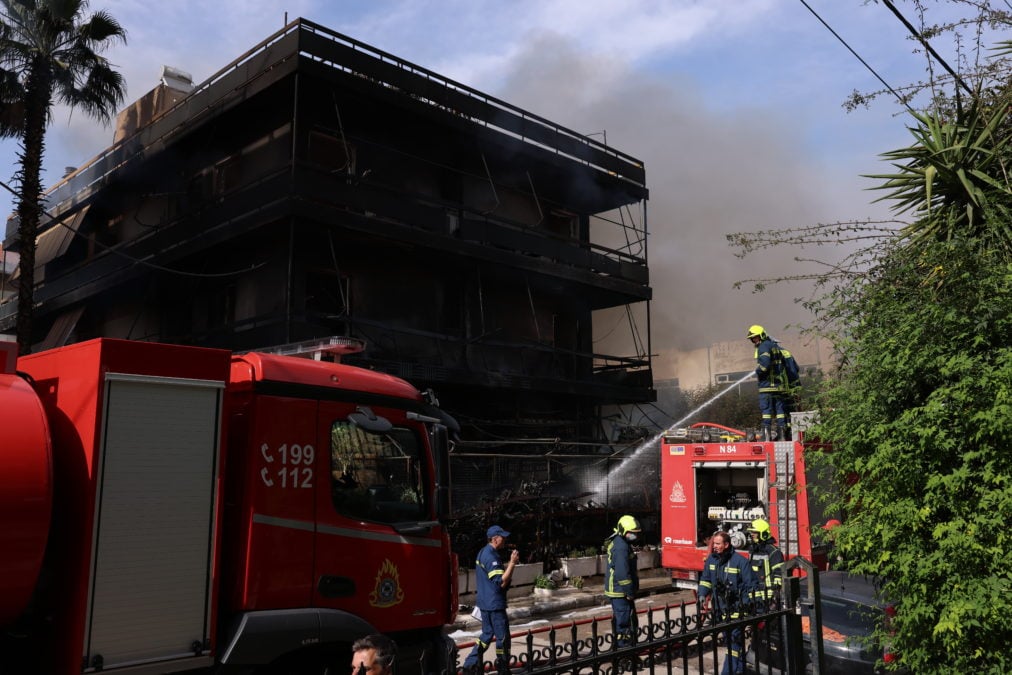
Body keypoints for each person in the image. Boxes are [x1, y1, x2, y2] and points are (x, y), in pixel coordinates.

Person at [697, 530, 758, 675]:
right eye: (714, 543)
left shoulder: (740, 562)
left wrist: (749, 606)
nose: (714, 546)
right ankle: (741, 669)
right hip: (719, 609)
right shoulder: (712, 560)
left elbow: (751, 586)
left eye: (718, 544)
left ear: (726, 545)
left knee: (733, 645)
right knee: (732, 643)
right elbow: (705, 579)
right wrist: (702, 594)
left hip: (736, 610)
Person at [462, 525, 520, 675]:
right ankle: (503, 668)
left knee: (486, 635)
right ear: (495, 539)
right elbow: (501, 582)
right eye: (502, 537)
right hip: (495, 605)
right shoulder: (491, 556)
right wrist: (512, 563)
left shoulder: (483, 552)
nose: (505, 539)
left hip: (485, 603)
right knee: (503, 638)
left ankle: (470, 664)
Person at [746, 325, 801, 441]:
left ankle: (766, 436)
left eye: (755, 337)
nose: (754, 341)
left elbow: (764, 366)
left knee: (766, 411)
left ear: (762, 336)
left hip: (767, 387)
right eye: (752, 339)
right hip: (782, 387)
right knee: (782, 412)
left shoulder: (764, 347)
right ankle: (783, 435)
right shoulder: (779, 349)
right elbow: (794, 369)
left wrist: (758, 371)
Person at [604, 515, 641, 648]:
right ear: (623, 530)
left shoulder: (621, 542)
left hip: (620, 591)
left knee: (627, 621)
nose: (635, 536)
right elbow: (622, 574)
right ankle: (624, 650)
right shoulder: (621, 547)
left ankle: (626, 647)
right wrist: (630, 592)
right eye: (632, 533)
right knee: (624, 624)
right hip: (620, 592)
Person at [746, 518, 784, 605]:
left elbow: (778, 574)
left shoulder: (773, 551)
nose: (752, 534)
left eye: (755, 532)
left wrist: (775, 595)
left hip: (768, 596)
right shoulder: (752, 550)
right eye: (751, 532)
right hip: (755, 593)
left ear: (764, 534)